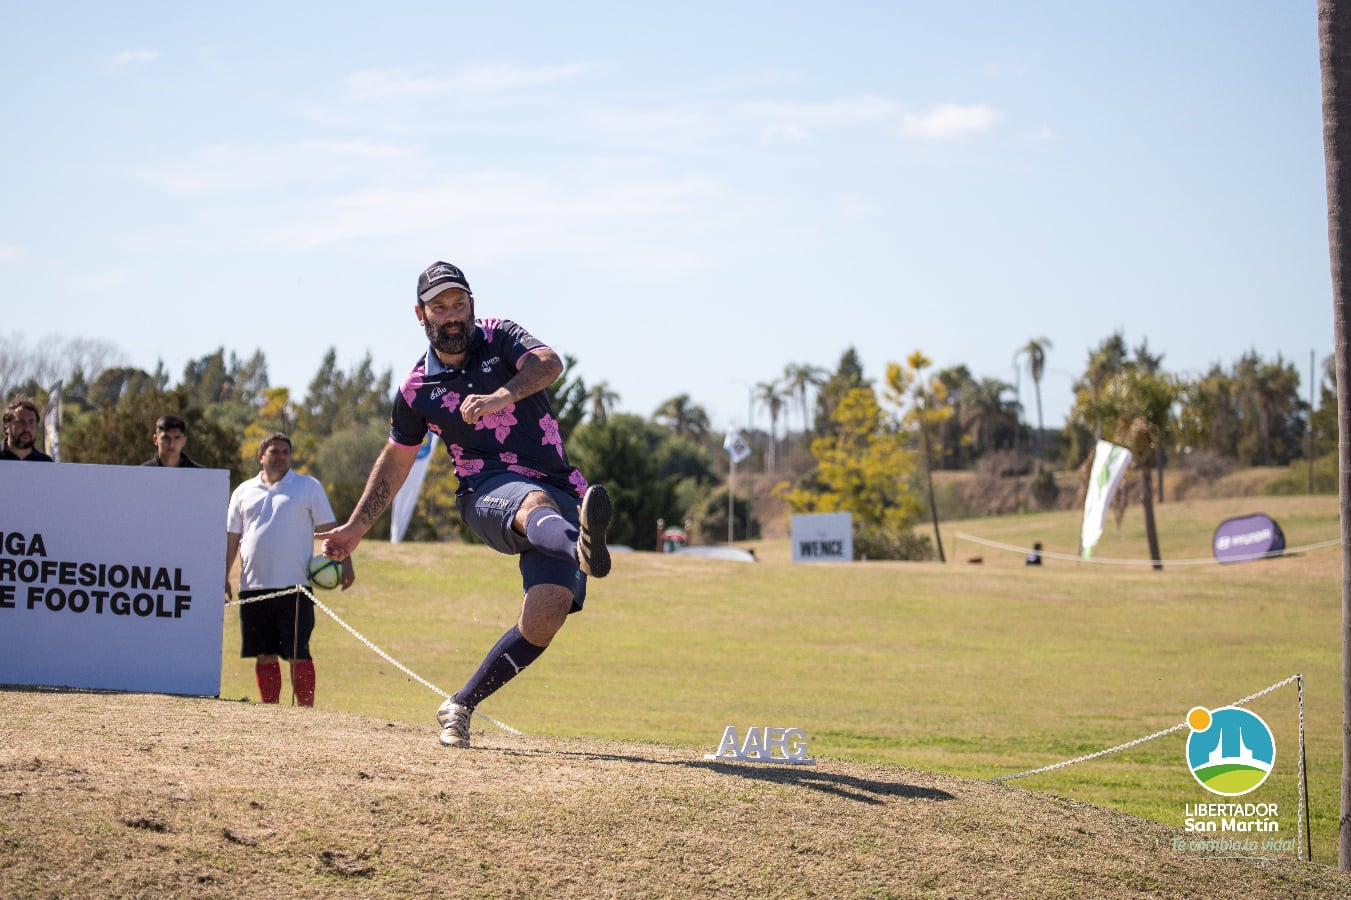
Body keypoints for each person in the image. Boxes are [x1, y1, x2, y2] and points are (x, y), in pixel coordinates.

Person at [317, 259, 612, 749]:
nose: (451, 315)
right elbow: (396, 461)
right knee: (532, 502)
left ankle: (460, 704)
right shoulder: (417, 391)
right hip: (486, 490)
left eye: (459, 304)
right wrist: (354, 529)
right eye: (439, 307)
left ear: (472, 305)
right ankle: (579, 543)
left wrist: (502, 395)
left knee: (546, 614)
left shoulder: (501, 336)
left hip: (560, 484)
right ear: (421, 315)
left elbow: (550, 363)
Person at [226, 432, 354, 706]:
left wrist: (346, 563)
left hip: (295, 587)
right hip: (253, 587)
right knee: (264, 653)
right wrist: (222, 576)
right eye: (274, 451)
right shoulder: (242, 491)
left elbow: (329, 530)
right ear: (261, 456)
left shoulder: (307, 486)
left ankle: (306, 711)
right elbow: (232, 538)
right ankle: (270, 711)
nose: (281, 456)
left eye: (286, 451)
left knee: (299, 652)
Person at [1, 397, 54, 462]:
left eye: (31, 423)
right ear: (6, 426)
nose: (27, 428)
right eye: (21, 422)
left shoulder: (45, 463)